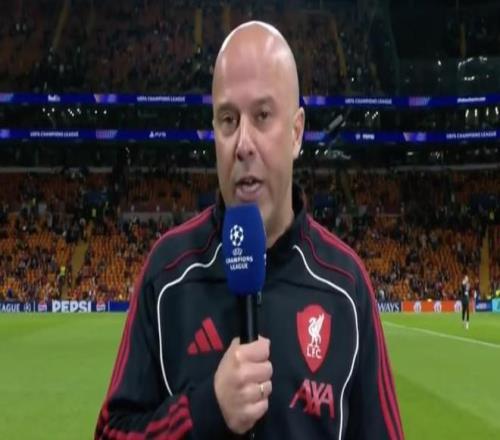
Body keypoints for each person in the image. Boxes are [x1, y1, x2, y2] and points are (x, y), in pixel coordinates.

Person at [95, 21, 404, 439]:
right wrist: (205, 409)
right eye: (228, 119)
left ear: (296, 133)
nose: (243, 143)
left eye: (262, 116)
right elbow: (110, 432)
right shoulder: (168, 273)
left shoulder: (346, 286)